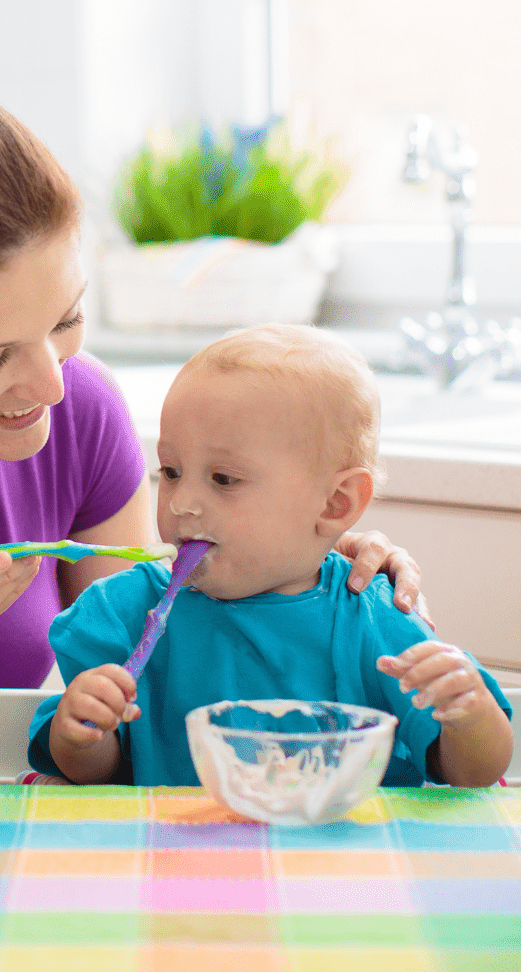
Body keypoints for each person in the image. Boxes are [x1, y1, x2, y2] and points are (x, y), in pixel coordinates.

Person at [0, 73, 426, 783]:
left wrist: (311, 567)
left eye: (66, 320)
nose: (52, 385)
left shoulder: (83, 410)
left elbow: (173, 634)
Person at [28, 325, 512, 788]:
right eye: (172, 471)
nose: (181, 503)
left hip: (344, 866)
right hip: (179, 862)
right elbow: (90, 775)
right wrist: (82, 734)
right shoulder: (123, 613)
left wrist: (469, 717)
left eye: (223, 479)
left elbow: (469, 773)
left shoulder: (373, 618)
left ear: (334, 504)